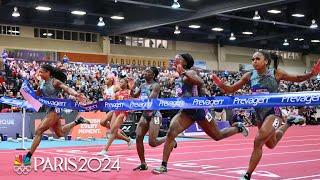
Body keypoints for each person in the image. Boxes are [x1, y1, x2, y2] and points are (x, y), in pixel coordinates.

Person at [211, 51, 320, 180]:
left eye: (257, 58)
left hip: (273, 113)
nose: (254, 61)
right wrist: (220, 84)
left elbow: (298, 78)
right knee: (271, 144)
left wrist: (312, 74)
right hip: (259, 116)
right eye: (252, 59)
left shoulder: (276, 73)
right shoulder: (249, 75)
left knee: (258, 141)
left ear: (266, 61)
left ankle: (247, 175)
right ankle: (289, 122)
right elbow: (230, 89)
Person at [153, 53, 248, 174]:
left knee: (217, 136)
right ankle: (163, 165)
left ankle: (238, 128)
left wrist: (184, 72)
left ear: (185, 63)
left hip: (200, 110)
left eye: (178, 59)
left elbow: (200, 81)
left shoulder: (190, 73)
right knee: (171, 132)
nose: (174, 61)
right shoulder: (177, 77)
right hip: (186, 112)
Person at [23, 64, 90, 165]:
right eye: (39, 72)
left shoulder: (55, 82)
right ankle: (78, 121)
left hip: (55, 110)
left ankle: (28, 157)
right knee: (61, 133)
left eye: (41, 72)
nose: (39, 74)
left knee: (39, 131)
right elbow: (37, 95)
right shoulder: (41, 83)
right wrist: (28, 93)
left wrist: (76, 94)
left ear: (48, 73)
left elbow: (66, 88)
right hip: (48, 110)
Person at [131, 67, 176, 171]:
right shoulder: (142, 85)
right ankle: (143, 164)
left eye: (148, 72)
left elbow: (150, 99)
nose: (145, 73)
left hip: (155, 115)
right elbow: (133, 95)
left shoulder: (155, 85)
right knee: (138, 137)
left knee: (152, 142)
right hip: (145, 115)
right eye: (145, 71)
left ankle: (170, 139)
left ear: (153, 75)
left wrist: (139, 103)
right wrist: (132, 86)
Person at [97, 77, 132, 156]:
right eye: (120, 82)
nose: (120, 83)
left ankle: (105, 149)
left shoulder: (129, 92)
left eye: (122, 82)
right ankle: (128, 139)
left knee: (113, 131)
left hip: (123, 113)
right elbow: (113, 103)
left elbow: (134, 102)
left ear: (126, 83)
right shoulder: (117, 93)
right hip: (115, 111)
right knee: (103, 122)